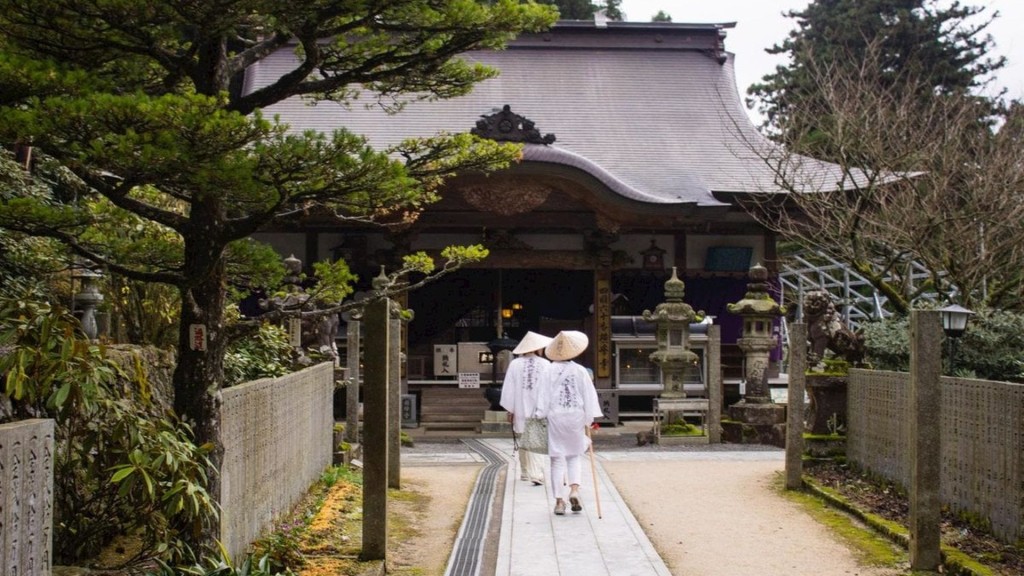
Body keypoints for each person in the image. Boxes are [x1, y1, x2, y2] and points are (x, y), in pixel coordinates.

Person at [534, 330, 602, 515]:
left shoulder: (548, 370)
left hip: (556, 416)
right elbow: (589, 395)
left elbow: (542, 396)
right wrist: (589, 419)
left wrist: (540, 413)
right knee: (573, 456)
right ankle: (574, 490)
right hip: (575, 417)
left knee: (556, 459)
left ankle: (559, 502)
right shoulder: (580, 371)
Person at [500, 331, 552, 486]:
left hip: (520, 407)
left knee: (522, 437)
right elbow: (550, 388)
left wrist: (510, 409)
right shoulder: (545, 364)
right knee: (536, 439)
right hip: (539, 408)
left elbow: (509, 388)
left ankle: (524, 471)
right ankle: (536, 473)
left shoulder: (515, 364)